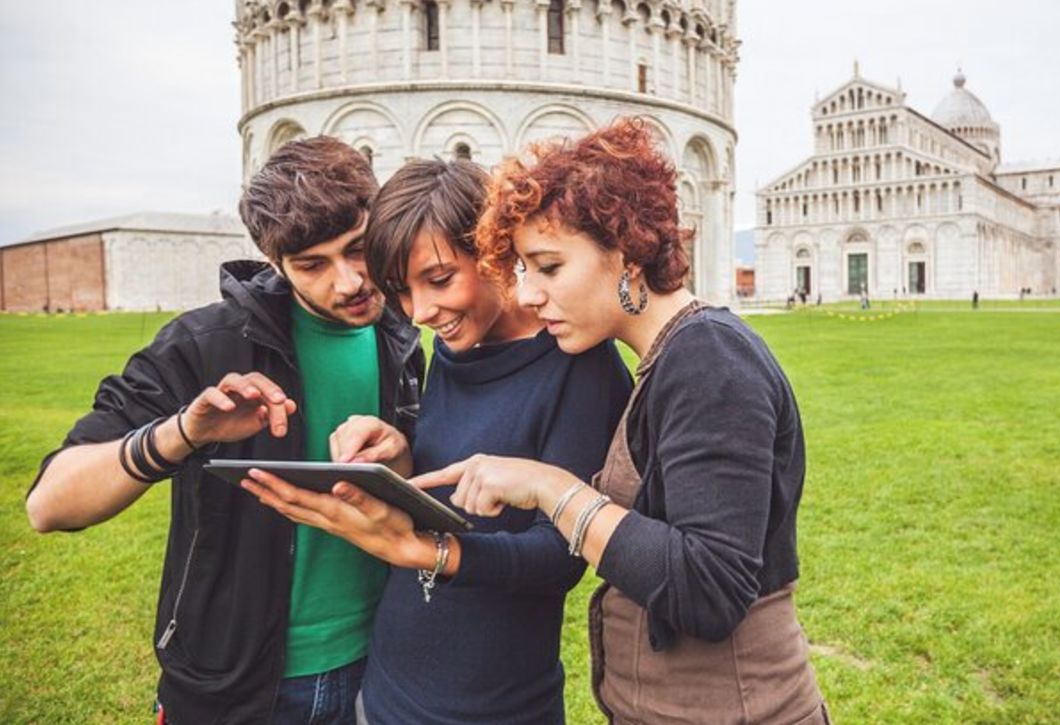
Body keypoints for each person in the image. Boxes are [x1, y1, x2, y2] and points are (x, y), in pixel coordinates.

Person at [414, 119, 829, 723]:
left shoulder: (709, 357)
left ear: (628, 252)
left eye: (549, 267)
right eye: (524, 270)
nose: (527, 295)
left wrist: (551, 488)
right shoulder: (667, 359)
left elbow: (710, 589)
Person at [24, 137, 424, 724]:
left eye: (358, 250)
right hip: (235, 689)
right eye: (312, 264)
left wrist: (402, 457)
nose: (348, 282)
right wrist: (181, 433)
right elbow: (49, 505)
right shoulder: (202, 346)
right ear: (274, 262)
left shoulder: (405, 336)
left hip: (383, 670)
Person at [241, 157, 631, 724]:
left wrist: (420, 551)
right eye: (401, 290)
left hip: (492, 707)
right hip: (387, 688)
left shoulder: (580, 364)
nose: (421, 312)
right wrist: (399, 456)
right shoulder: (452, 347)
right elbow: (455, 487)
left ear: (494, 250)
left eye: (440, 279)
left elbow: (562, 557)